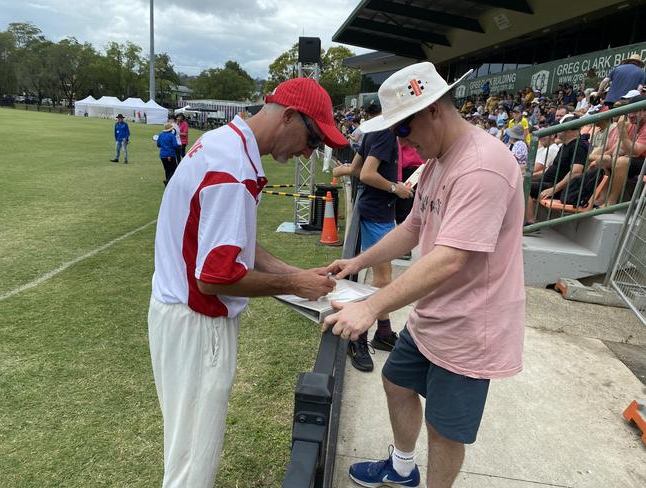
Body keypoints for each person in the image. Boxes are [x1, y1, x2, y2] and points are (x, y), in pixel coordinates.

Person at [323, 61, 524, 488]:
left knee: (445, 429)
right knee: (396, 381)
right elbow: (414, 227)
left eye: (402, 128)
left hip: (471, 326)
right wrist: (357, 263)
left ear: (433, 110)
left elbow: (452, 258)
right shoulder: (438, 161)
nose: (402, 140)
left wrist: (371, 306)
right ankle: (401, 468)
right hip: (435, 313)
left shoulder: (482, 166)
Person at [148, 77, 346, 488]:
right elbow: (215, 278)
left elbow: (237, 242)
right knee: (191, 466)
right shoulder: (232, 168)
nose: (310, 152)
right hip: (197, 322)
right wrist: (294, 284)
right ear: (289, 116)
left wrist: (293, 273)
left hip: (178, 314)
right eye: (312, 138)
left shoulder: (227, 144)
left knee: (184, 448)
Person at [332, 102, 414, 372]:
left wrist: (341, 170)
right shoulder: (385, 133)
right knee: (382, 279)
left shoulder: (372, 131)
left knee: (381, 277)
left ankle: (382, 332)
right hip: (378, 212)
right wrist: (395, 188)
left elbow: (356, 169)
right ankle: (361, 337)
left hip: (376, 210)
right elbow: (367, 173)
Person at [525, 114, 588, 224]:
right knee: (518, 181)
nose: (558, 131)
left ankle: (531, 222)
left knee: (523, 185)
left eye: (561, 128)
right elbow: (551, 169)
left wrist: (553, 189)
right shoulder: (565, 146)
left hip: (558, 189)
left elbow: (576, 172)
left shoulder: (579, 146)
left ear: (569, 130)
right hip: (547, 183)